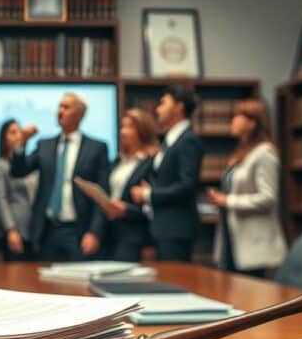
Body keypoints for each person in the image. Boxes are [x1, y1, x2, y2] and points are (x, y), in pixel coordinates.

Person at [11, 92, 109, 262]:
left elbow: (102, 195)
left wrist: (95, 232)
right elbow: (19, 171)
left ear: (80, 115)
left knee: (77, 285)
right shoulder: (45, 145)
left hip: (79, 230)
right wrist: (21, 144)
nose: (60, 111)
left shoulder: (97, 148)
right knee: (42, 285)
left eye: (66, 107)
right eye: (59, 106)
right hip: (47, 230)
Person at [206, 99, 287, 278]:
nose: (232, 121)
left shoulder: (264, 153)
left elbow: (268, 197)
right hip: (233, 241)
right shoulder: (240, 154)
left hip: (254, 246)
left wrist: (227, 201)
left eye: (237, 116)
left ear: (252, 123)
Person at [131, 85, 203, 261]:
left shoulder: (188, 140)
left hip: (176, 229)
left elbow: (187, 185)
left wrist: (149, 193)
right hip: (162, 227)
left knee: (175, 282)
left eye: (163, 103)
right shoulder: (169, 140)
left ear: (179, 107)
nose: (157, 109)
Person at [101, 108, 159, 261]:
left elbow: (153, 204)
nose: (123, 132)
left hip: (135, 234)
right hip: (111, 232)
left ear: (142, 131)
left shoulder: (151, 162)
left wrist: (126, 210)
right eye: (122, 127)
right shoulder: (118, 161)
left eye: (129, 127)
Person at [0, 119, 39, 261]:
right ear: (3, 139)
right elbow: (2, 200)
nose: (19, 135)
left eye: (20, 131)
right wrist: (11, 230)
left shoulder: (29, 164)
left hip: (31, 230)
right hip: (12, 232)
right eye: (13, 132)